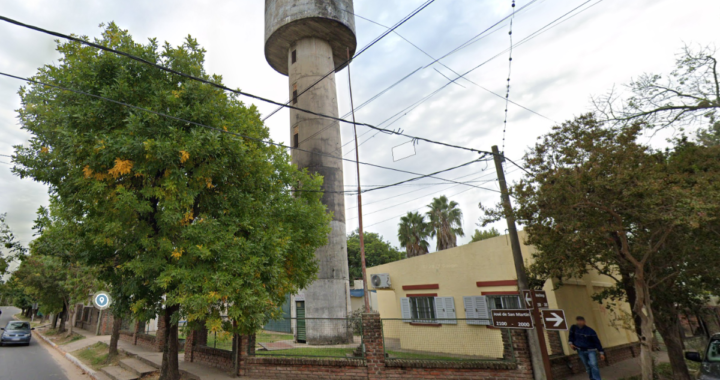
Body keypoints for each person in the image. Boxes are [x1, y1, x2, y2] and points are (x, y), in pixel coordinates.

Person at [569, 316, 605, 380]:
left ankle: (597, 379)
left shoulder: (590, 331)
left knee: (593, 364)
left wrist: (601, 352)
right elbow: (570, 337)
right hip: (580, 350)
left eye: (581, 320)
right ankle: (592, 378)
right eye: (578, 320)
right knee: (587, 366)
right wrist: (571, 343)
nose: (579, 322)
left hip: (591, 350)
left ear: (584, 322)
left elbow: (597, 342)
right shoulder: (574, 328)